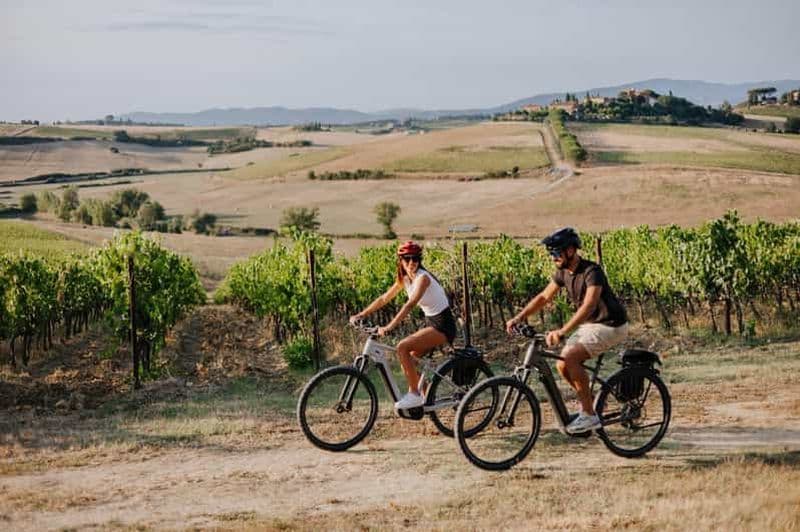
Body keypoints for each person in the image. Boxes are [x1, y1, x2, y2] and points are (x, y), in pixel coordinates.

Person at [506, 228, 628, 433]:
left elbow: (589, 306)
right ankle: (589, 403)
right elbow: (544, 297)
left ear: (571, 250)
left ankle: (589, 415)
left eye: (556, 253)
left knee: (570, 357)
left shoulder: (592, 272)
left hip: (611, 324)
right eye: (551, 254)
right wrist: (520, 317)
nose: (553, 257)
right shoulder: (563, 273)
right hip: (592, 325)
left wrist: (562, 331)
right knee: (562, 365)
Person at [350, 241, 456, 410]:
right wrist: (362, 314)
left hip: (443, 325)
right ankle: (426, 397)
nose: (412, 263)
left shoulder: (423, 278)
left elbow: (410, 304)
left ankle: (414, 394)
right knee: (409, 359)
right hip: (432, 323)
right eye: (407, 259)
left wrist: (389, 326)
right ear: (401, 261)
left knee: (402, 347)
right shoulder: (406, 279)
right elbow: (384, 298)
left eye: (415, 259)